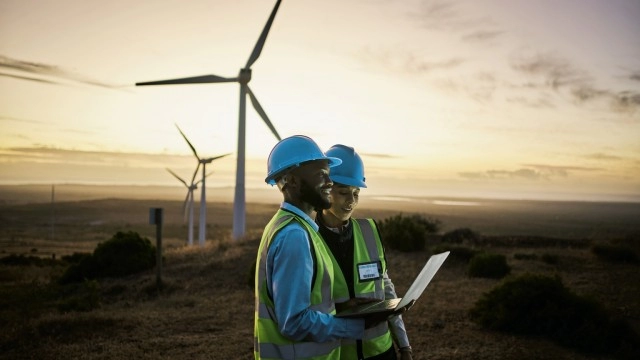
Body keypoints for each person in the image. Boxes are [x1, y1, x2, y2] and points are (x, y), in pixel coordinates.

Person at [254, 135, 388, 360]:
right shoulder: (294, 236)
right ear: (291, 181)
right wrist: (354, 327)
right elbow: (294, 323)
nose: (329, 182)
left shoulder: (293, 227)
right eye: (321, 175)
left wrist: (343, 306)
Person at [316, 144, 413, 360]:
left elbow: (386, 289)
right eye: (343, 192)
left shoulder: (369, 230)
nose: (351, 201)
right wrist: (340, 307)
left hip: (382, 351)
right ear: (325, 188)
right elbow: (302, 308)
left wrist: (404, 345)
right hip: (338, 354)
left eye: (356, 193)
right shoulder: (307, 238)